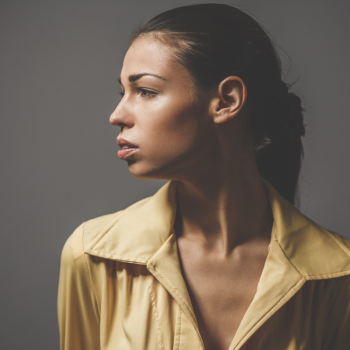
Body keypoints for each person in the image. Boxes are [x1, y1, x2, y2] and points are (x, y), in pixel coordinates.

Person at [57, 4, 350, 350]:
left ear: (226, 101)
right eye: (123, 92)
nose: (117, 115)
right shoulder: (92, 256)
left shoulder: (337, 273)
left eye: (146, 91)